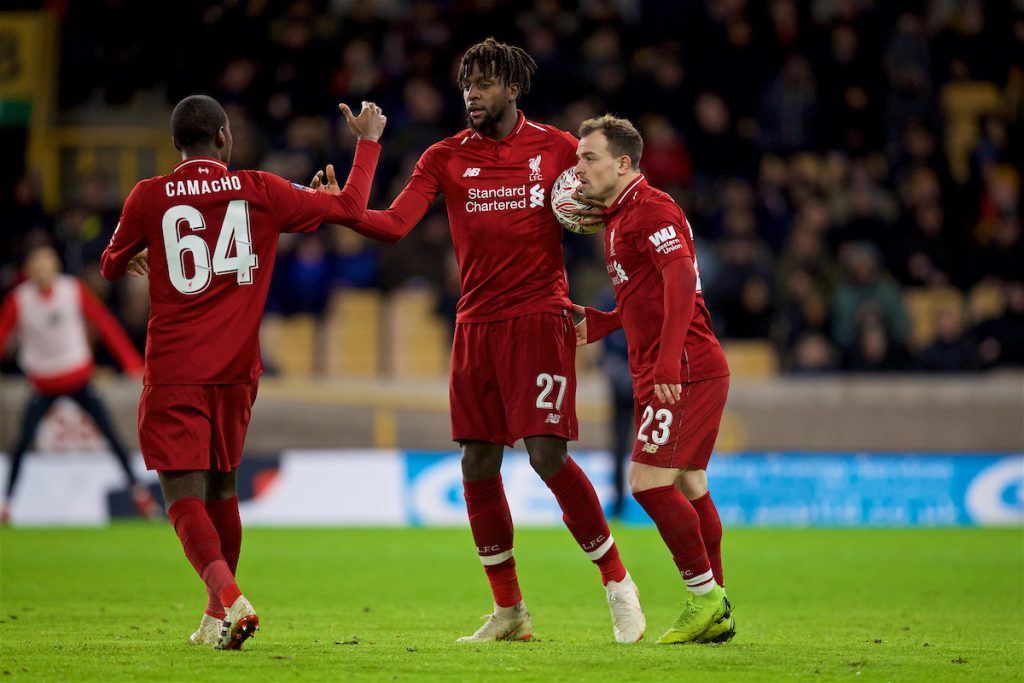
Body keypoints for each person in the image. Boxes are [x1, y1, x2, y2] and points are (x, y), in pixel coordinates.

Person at [317, 38, 644, 644]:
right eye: (467, 82)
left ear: (513, 88)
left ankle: (619, 586)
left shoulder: (557, 150)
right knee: (477, 461)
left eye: (486, 82)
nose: (473, 92)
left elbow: (616, 200)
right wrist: (343, 195)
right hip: (475, 327)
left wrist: (622, 289)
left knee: (547, 456)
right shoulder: (444, 157)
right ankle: (510, 611)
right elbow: (390, 224)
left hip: (539, 319)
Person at [100, 94, 386, 650]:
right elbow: (351, 209)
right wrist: (368, 144)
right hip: (236, 372)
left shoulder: (149, 196)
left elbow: (111, 263)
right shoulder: (261, 189)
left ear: (176, 144)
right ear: (224, 138)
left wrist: (138, 255)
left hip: (176, 369)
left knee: (182, 495)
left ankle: (230, 599)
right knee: (223, 487)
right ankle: (214, 616)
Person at [572, 114, 734, 644]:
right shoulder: (618, 219)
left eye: (588, 157)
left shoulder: (651, 208)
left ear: (623, 163)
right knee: (688, 483)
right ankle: (719, 608)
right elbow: (644, 297)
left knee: (645, 483)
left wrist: (666, 364)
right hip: (672, 367)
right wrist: (604, 322)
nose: (579, 168)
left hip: (681, 368)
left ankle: (705, 596)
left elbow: (682, 278)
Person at [0, 245, 157, 524]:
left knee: (112, 437)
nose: (43, 274)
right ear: (28, 273)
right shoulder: (19, 300)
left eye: (47, 267)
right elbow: (2, 334)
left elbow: (104, 324)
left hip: (78, 378)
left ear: (56, 267)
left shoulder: (72, 290)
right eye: (37, 269)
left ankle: (141, 497)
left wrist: (132, 362)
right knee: (21, 444)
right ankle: (8, 505)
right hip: (42, 383)